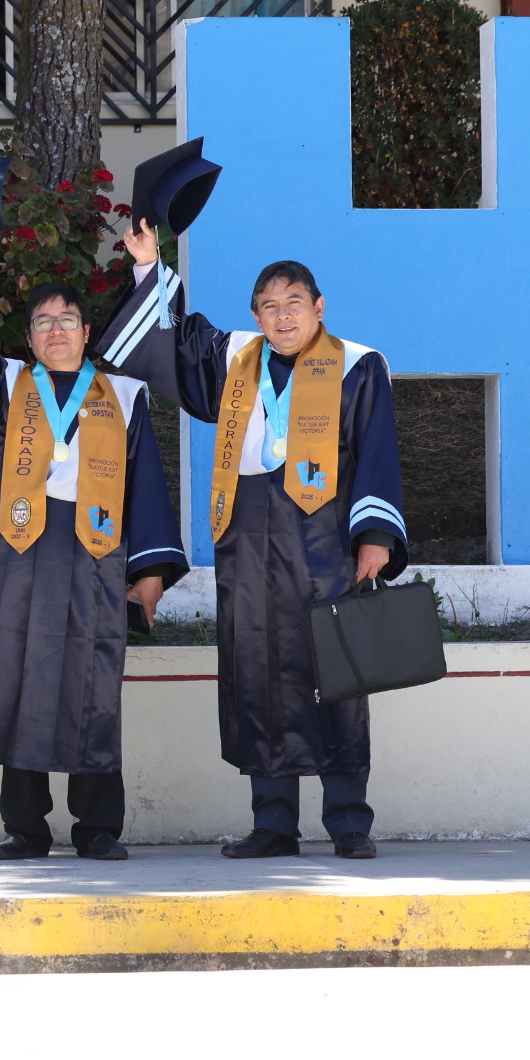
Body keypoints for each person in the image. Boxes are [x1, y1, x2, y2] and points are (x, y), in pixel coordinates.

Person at [96, 229, 406, 859]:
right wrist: (151, 264)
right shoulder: (238, 358)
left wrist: (374, 537)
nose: (282, 315)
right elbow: (176, 341)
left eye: (294, 303)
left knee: (336, 676)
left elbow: (377, 451)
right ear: (255, 314)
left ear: (320, 308)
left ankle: (349, 823)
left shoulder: (358, 363)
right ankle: (274, 823)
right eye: (268, 305)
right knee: (257, 675)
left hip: (325, 539)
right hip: (248, 541)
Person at [0, 216, 187, 862]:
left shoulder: (123, 394)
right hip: (15, 553)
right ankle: (26, 826)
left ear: (87, 331)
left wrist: (149, 571)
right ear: (29, 336)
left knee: (92, 681)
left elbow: (147, 485)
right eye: (42, 322)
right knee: (14, 678)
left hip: (96, 556)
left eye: (67, 319)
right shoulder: (6, 382)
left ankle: (98, 825)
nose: (55, 330)